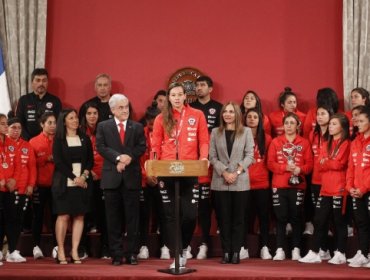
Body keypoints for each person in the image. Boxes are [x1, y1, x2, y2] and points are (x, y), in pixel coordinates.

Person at [150, 82, 209, 268]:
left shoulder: (197, 115)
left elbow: (204, 141)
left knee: (190, 215)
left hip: (189, 170)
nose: (176, 98)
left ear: (185, 96)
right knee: (170, 216)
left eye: (179, 94)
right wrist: (153, 165)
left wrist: (204, 158)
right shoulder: (161, 118)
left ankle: (183, 249)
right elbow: (155, 145)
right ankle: (177, 254)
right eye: (173, 95)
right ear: (169, 97)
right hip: (167, 171)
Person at [96, 94, 146, 266]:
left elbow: (141, 146)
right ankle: (116, 254)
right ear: (112, 110)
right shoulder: (103, 126)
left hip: (132, 178)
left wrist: (127, 158)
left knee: (133, 218)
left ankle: (132, 253)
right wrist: (118, 158)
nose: (125, 110)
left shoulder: (137, 126)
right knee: (113, 219)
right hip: (111, 179)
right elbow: (101, 147)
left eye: (126, 107)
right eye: (121, 107)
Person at [299, 113, 350, 265]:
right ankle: (315, 252)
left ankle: (340, 253)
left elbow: (339, 164)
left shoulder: (346, 143)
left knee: (339, 222)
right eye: (330, 124)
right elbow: (319, 165)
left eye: (334, 124)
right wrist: (330, 161)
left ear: (342, 126)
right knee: (319, 220)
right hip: (325, 188)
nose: (330, 126)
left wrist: (327, 161)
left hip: (339, 188)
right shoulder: (326, 143)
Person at [209, 102, 254, 264]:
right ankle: (226, 252)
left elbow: (250, 155)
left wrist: (236, 172)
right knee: (223, 219)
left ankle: (236, 252)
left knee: (238, 219)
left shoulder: (246, 132)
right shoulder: (215, 132)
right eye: (225, 112)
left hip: (240, 182)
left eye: (231, 111)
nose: (227, 114)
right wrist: (225, 172)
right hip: (220, 181)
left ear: (237, 114)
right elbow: (212, 157)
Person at [267, 112, 313, 261]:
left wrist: (300, 170)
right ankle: (280, 249)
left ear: (298, 125)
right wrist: (285, 168)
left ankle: (296, 250)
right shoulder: (275, 142)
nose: (288, 126)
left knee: (296, 217)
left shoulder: (304, 142)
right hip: (279, 184)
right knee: (280, 218)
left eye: (292, 123)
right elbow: (270, 163)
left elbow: (309, 165)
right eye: (286, 123)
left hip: (297, 185)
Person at [52, 109, 94, 264]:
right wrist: (74, 178)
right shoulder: (59, 140)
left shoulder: (85, 138)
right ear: (64, 121)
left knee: (79, 216)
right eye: (71, 118)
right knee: (63, 215)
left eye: (76, 117)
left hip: (82, 183)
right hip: (64, 183)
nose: (75, 120)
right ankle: (61, 249)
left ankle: (75, 250)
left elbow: (90, 160)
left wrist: (83, 176)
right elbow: (58, 162)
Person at [190, 75, 222, 260]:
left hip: (215, 162)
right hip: (194, 162)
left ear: (210, 89)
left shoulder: (218, 108)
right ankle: (195, 245)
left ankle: (209, 242)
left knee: (213, 204)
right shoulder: (190, 107)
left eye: (202, 85)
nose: (199, 88)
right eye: (197, 85)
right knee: (195, 206)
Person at [79, 103, 109, 259]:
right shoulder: (79, 133)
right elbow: (77, 157)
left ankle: (106, 248)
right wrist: (89, 172)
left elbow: (110, 154)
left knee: (105, 215)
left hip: (104, 178)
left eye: (95, 113)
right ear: (84, 115)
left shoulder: (106, 130)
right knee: (84, 214)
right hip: (86, 178)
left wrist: (101, 173)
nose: (92, 116)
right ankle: (83, 248)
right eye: (89, 113)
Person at [4, 117, 36, 262]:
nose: (16, 131)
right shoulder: (4, 144)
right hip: (7, 190)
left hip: (23, 189)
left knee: (18, 221)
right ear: (7, 128)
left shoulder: (27, 146)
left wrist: (30, 185)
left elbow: (32, 168)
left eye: (19, 128)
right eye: (13, 127)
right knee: (5, 220)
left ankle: (13, 250)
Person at [244, 108, 272, 259]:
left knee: (263, 218)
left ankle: (265, 247)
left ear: (260, 120)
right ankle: (243, 247)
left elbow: (270, 161)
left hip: (262, 184)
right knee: (244, 218)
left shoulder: (267, 138)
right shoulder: (239, 136)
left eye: (255, 117)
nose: (252, 119)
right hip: (244, 184)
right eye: (249, 116)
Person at [29, 112, 57, 259]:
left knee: (56, 216)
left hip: (57, 186)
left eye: (54, 123)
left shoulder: (60, 140)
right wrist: (47, 158)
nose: (53, 126)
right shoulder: (33, 142)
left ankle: (57, 247)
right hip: (39, 185)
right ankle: (36, 246)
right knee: (38, 216)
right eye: (49, 123)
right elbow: (30, 165)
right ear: (42, 124)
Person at [137, 102, 163, 260]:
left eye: (155, 121)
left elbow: (167, 156)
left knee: (163, 215)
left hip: (161, 180)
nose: (152, 124)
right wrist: (146, 175)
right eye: (149, 122)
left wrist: (158, 176)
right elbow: (137, 158)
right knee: (143, 216)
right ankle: (143, 246)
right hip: (144, 180)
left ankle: (164, 246)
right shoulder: (140, 134)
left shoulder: (167, 133)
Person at [345, 106, 370, 268]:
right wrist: (350, 187)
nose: (357, 124)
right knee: (361, 223)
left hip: (367, 190)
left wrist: (364, 188)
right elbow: (351, 168)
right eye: (357, 121)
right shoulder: (355, 142)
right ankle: (363, 253)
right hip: (357, 191)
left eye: (361, 121)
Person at [304, 106, 333, 238]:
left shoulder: (334, 135)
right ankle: (321, 245)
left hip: (330, 180)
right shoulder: (313, 134)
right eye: (318, 114)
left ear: (330, 116)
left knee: (329, 213)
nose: (319, 116)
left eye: (323, 114)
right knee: (318, 212)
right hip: (315, 179)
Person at [16, 68, 62, 140]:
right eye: (38, 80)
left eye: (44, 80)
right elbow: (19, 122)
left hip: (49, 142)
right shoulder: (23, 100)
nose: (41, 83)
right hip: (27, 142)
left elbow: (59, 124)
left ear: (47, 82)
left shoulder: (55, 101)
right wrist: (28, 140)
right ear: (32, 82)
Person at [0, 114, 22, 262]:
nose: (6, 126)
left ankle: (12, 251)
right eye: (2, 124)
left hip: (9, 189)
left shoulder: (11, 143)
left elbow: (18, 165)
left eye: (6, 123)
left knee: (11, 219)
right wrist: (1, 179)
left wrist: (13, 179)